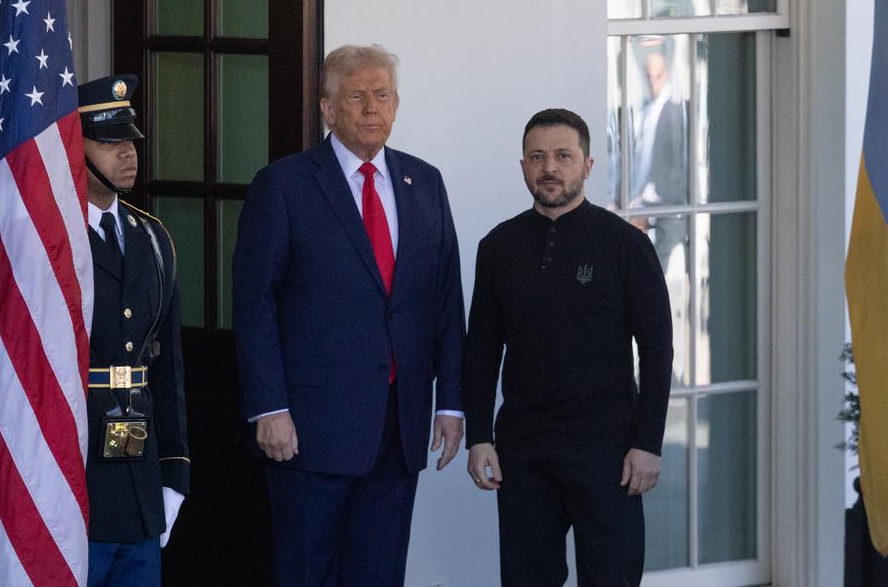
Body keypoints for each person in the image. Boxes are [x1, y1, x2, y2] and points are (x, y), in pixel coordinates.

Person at [232, 44, 465, 587]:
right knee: (308, 573)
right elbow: (254, 304)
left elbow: (444, 301)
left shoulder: (424, 182)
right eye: (356, 96)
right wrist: (269, 405)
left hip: (398, 427)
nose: (370, 108)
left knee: (380, 575)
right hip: (309, 431)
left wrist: (450, 402)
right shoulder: (285, 185)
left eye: (381, 95)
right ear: (327, 108)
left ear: (397, 104)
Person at [464, 108, 673, 586]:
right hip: (523, 451)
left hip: (610, 454)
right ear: (522, 166)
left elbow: (658, 352)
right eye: (537, 157)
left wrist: (648, 444)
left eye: (563, 156)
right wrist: (479, 437)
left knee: (611, 578)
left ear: (587, 165)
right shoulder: (498, 247)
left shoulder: (625, 245)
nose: (549, 168)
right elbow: (480, 350)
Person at [79, 74, 189, 586]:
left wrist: (174, 471)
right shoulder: (48, 238)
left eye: (130, 140)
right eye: (108, 141)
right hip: (71, 472)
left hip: (138, 474)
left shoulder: (153, 238)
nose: (127, 153)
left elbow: (166, 367)